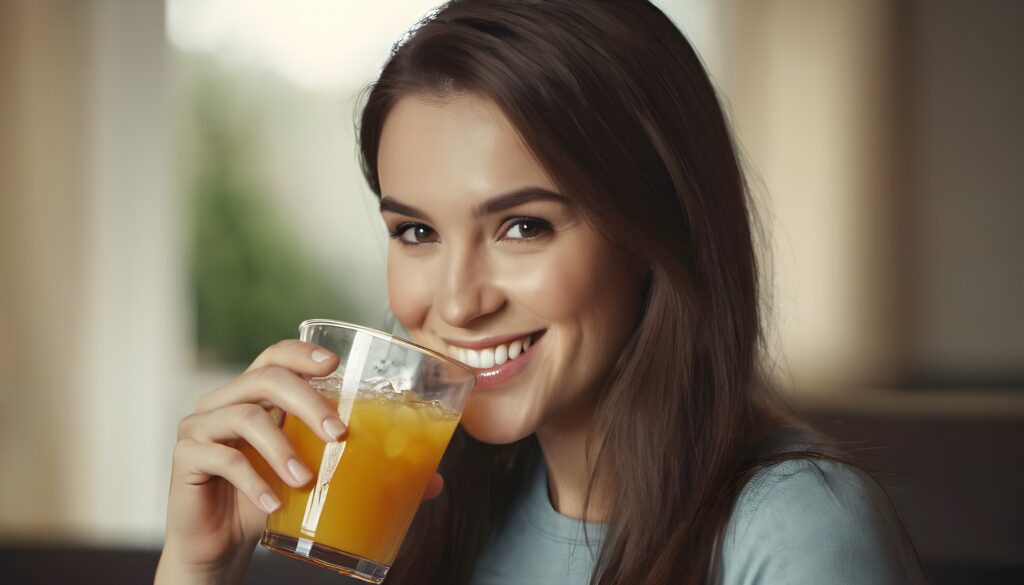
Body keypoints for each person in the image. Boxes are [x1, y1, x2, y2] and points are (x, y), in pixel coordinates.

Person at [155, 1, 928, 584]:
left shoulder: (798, 528)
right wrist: (198, 566)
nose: (457, 303)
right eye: (416, 232)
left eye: (522, 226)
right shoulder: (434, 508)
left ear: (657, 233)